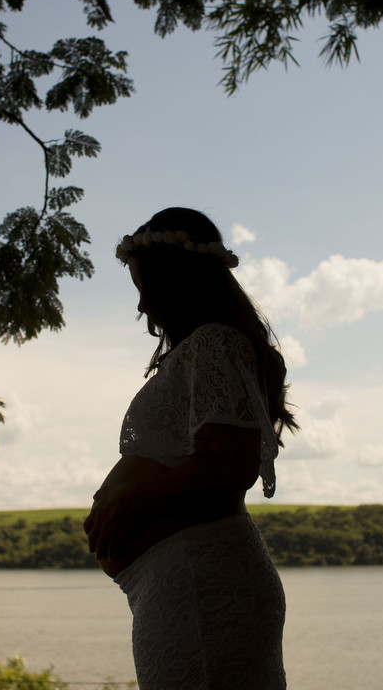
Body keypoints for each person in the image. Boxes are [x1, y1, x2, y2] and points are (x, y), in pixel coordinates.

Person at [84, 207, 297, 690]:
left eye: (147, 288)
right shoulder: (204, 347)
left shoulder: (216, 343)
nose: (142, 306)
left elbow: (231, 467)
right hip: (187, 583)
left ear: (181, 281)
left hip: (202, 586)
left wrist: (128, 499)